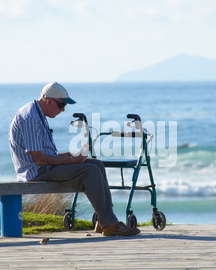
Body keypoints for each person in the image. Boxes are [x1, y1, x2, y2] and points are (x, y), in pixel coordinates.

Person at [9, 81, 140, 236]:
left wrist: (67, 156)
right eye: (61, 105)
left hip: (44, 167)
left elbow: (43, 154)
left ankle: (103, 220)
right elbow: (39, 159)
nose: (63, 110)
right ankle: (109, 224)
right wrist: (71, 161)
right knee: (90, 171)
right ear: (49, 100)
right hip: (35, 172)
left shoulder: (38, 113)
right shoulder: (30, 117)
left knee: (97, 165)